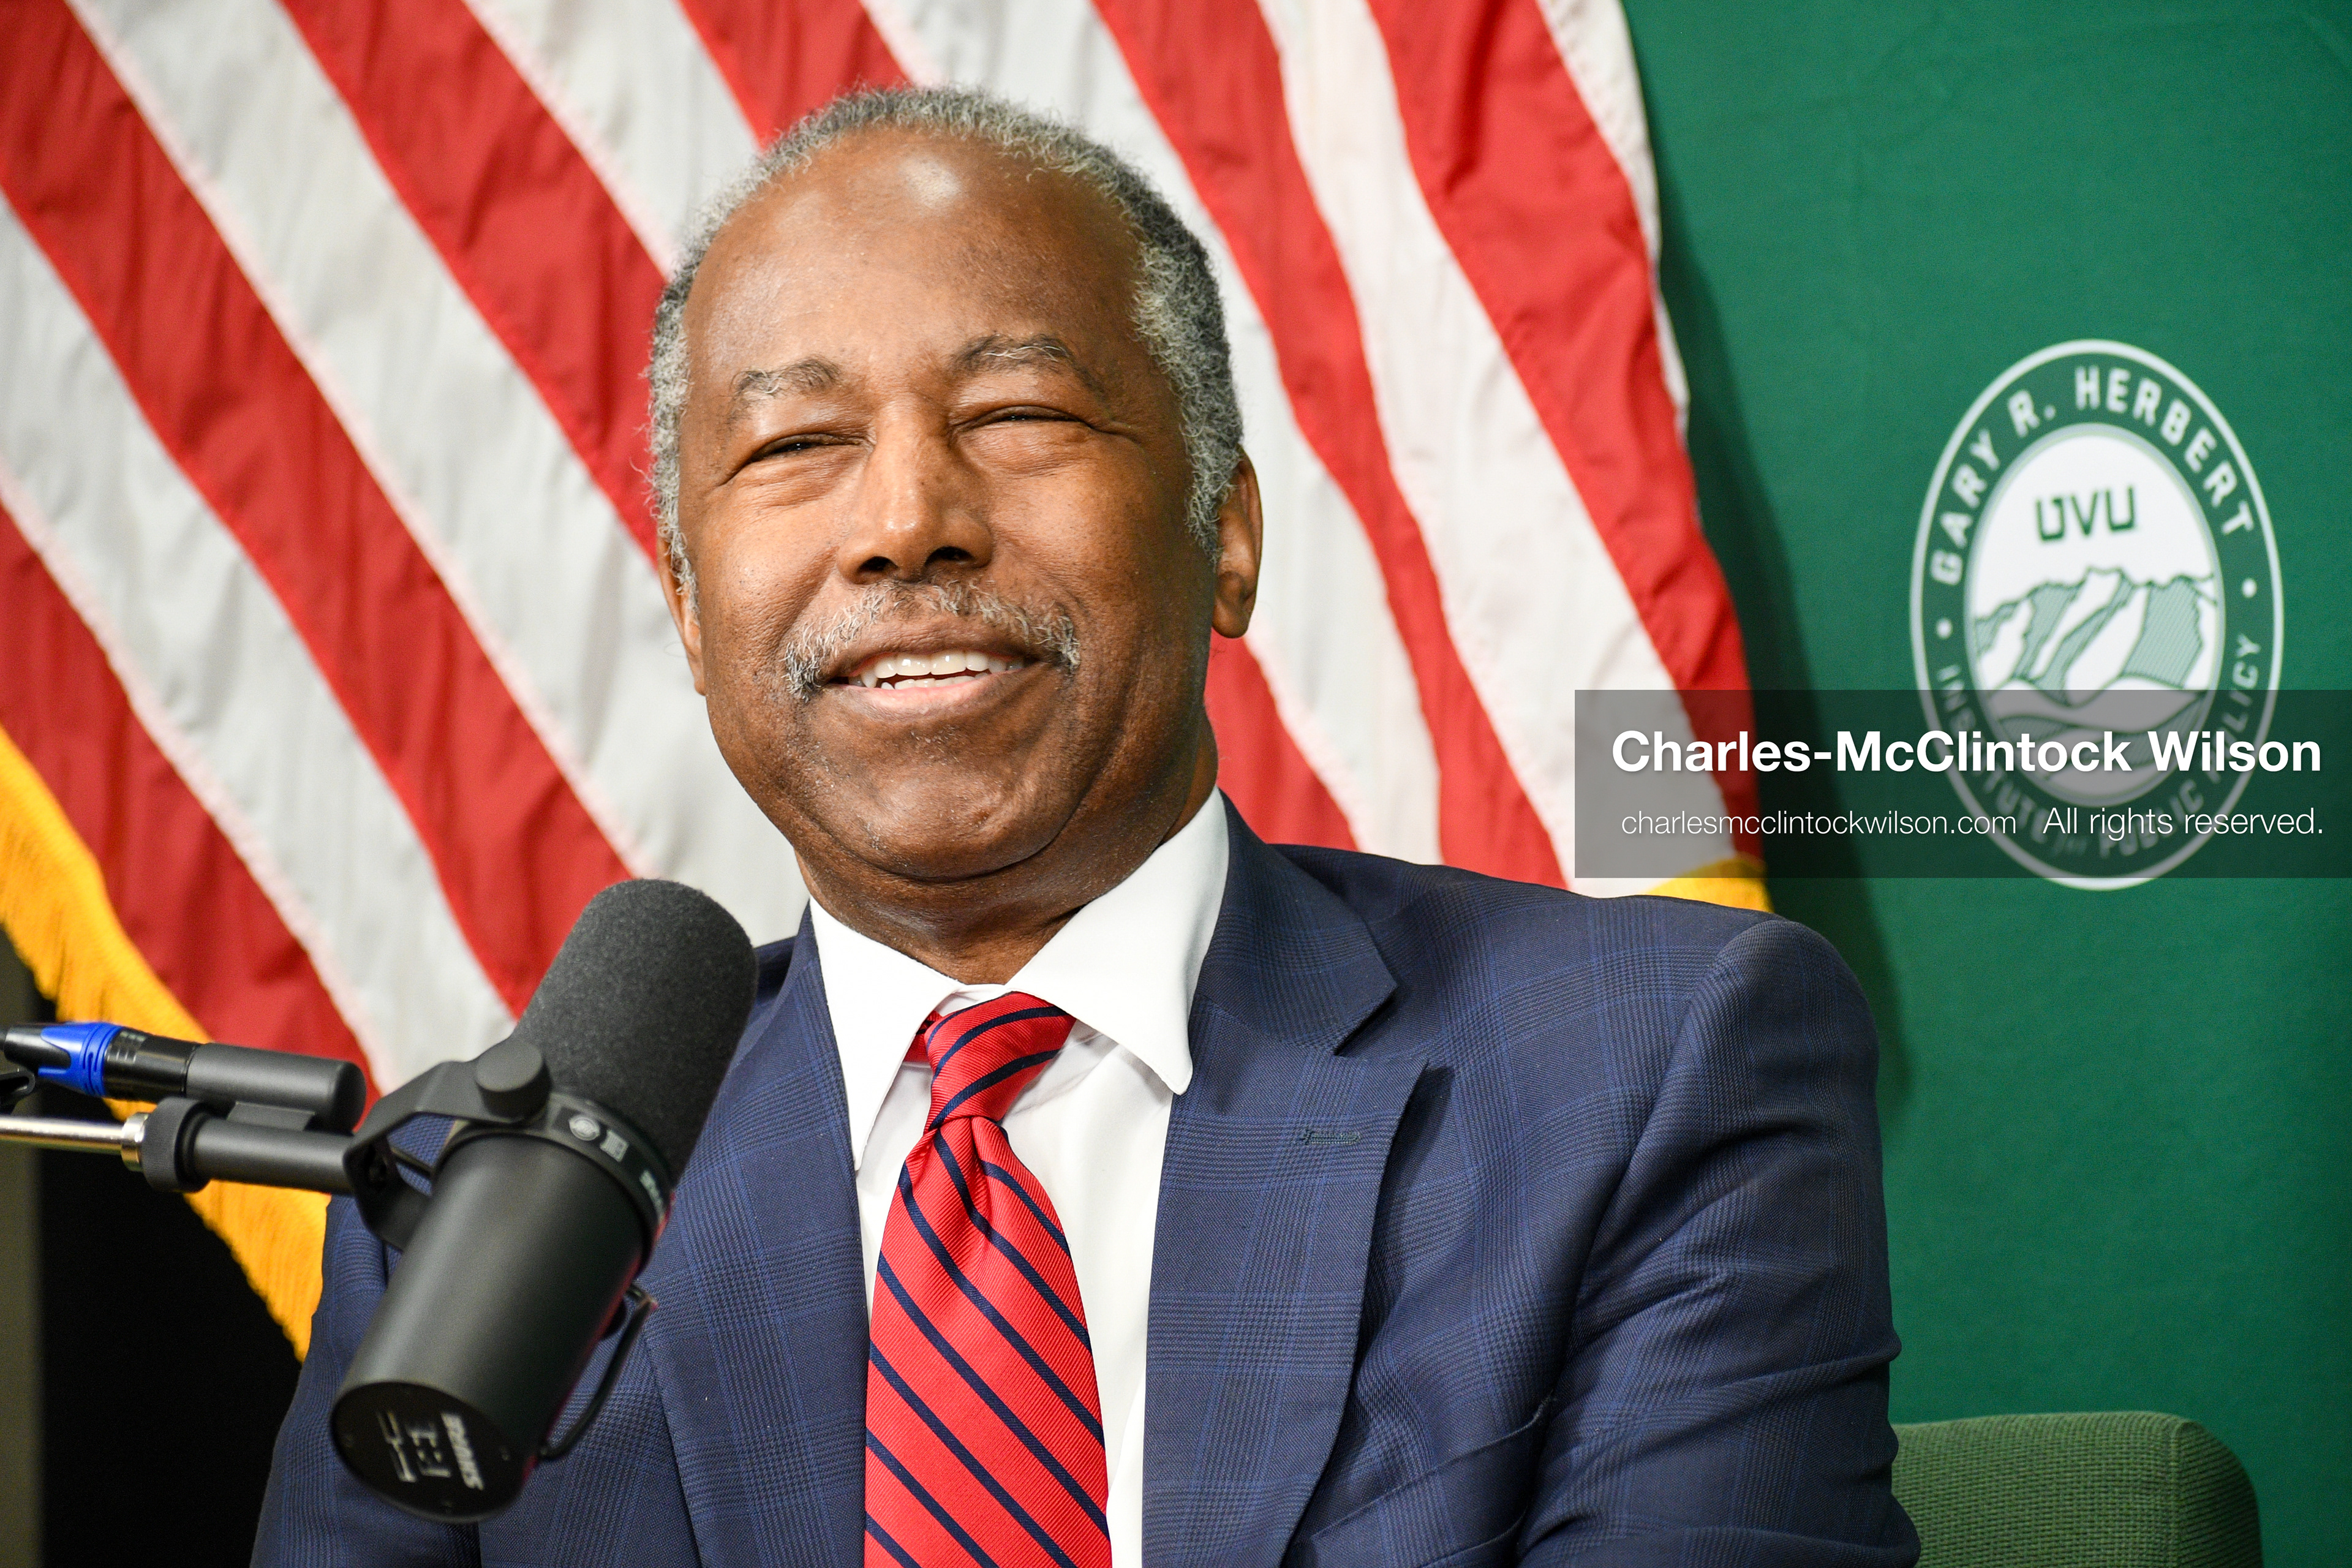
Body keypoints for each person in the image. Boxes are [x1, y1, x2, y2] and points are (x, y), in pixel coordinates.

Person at [257, 87, 1915, 1568]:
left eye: (1019, 418)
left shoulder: (1645, 1071)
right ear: (691, 614)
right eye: (799, 445)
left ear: (1230, 536)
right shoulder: (473, 1222)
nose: (908, 523)